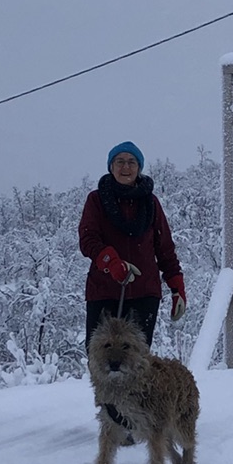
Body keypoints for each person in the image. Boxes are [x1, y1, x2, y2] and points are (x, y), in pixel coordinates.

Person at [80, 141, 186, 351]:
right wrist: (111, 262)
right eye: (119, 161)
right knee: (101, 361)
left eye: (131, 162)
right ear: (111, 167)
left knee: (137, 363)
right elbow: (87, 240)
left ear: (139, 168)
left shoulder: (151, 203)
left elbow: (164, 248)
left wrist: (177, 288)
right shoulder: (96, 200)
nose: (125, 167)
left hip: (145, 293)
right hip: (103, 292)